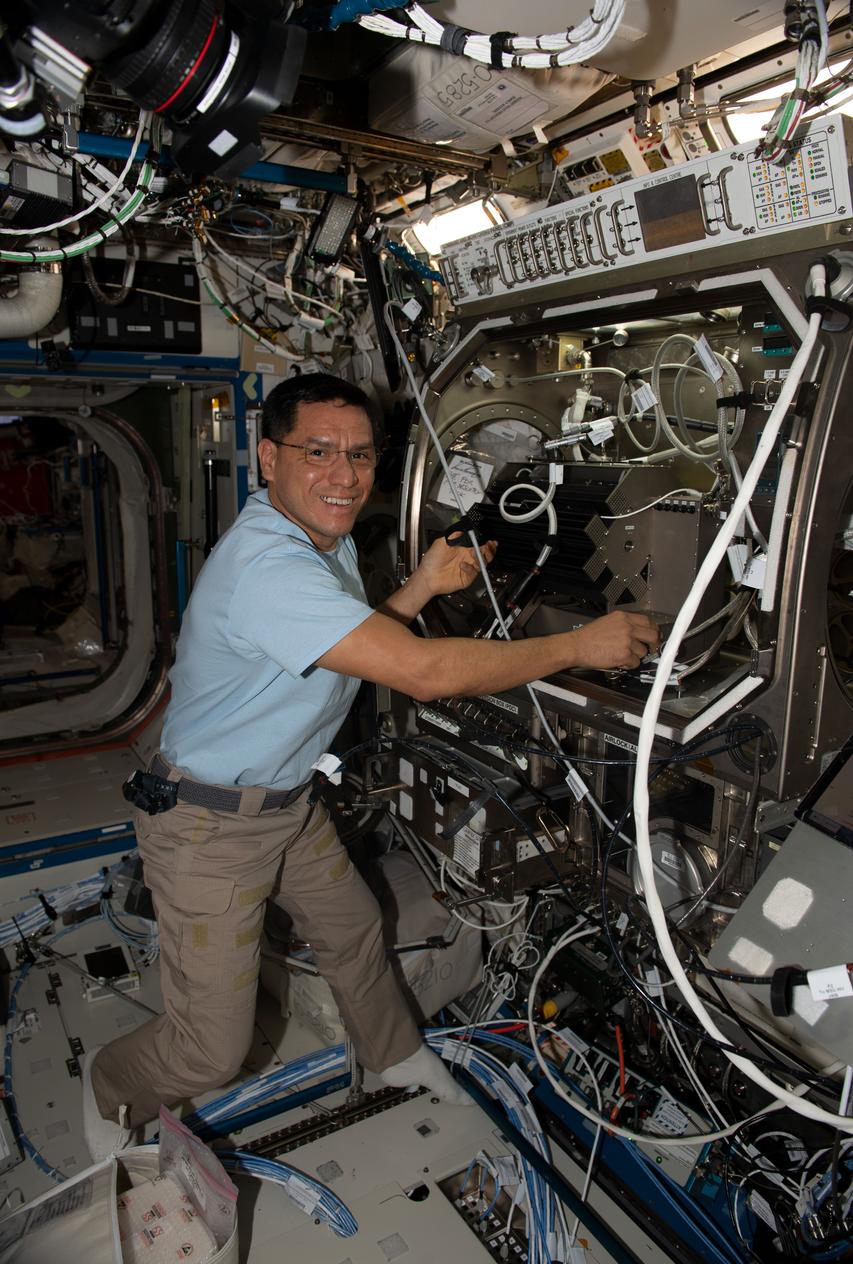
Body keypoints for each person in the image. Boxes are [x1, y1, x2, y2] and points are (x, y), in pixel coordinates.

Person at [82, 373, 659, 1160]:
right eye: (317, 452)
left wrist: (423, 583)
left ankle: (393, 1056)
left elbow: (350, 646)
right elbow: (419, 673)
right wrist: (576, 647)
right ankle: (110, 1085)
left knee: (355, 931)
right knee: (209, 1052)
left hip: (284, 802)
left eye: (358, 455)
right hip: (208, 826)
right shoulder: (269, 566)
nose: (343, 475)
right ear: (266, 456)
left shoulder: (324, 541)